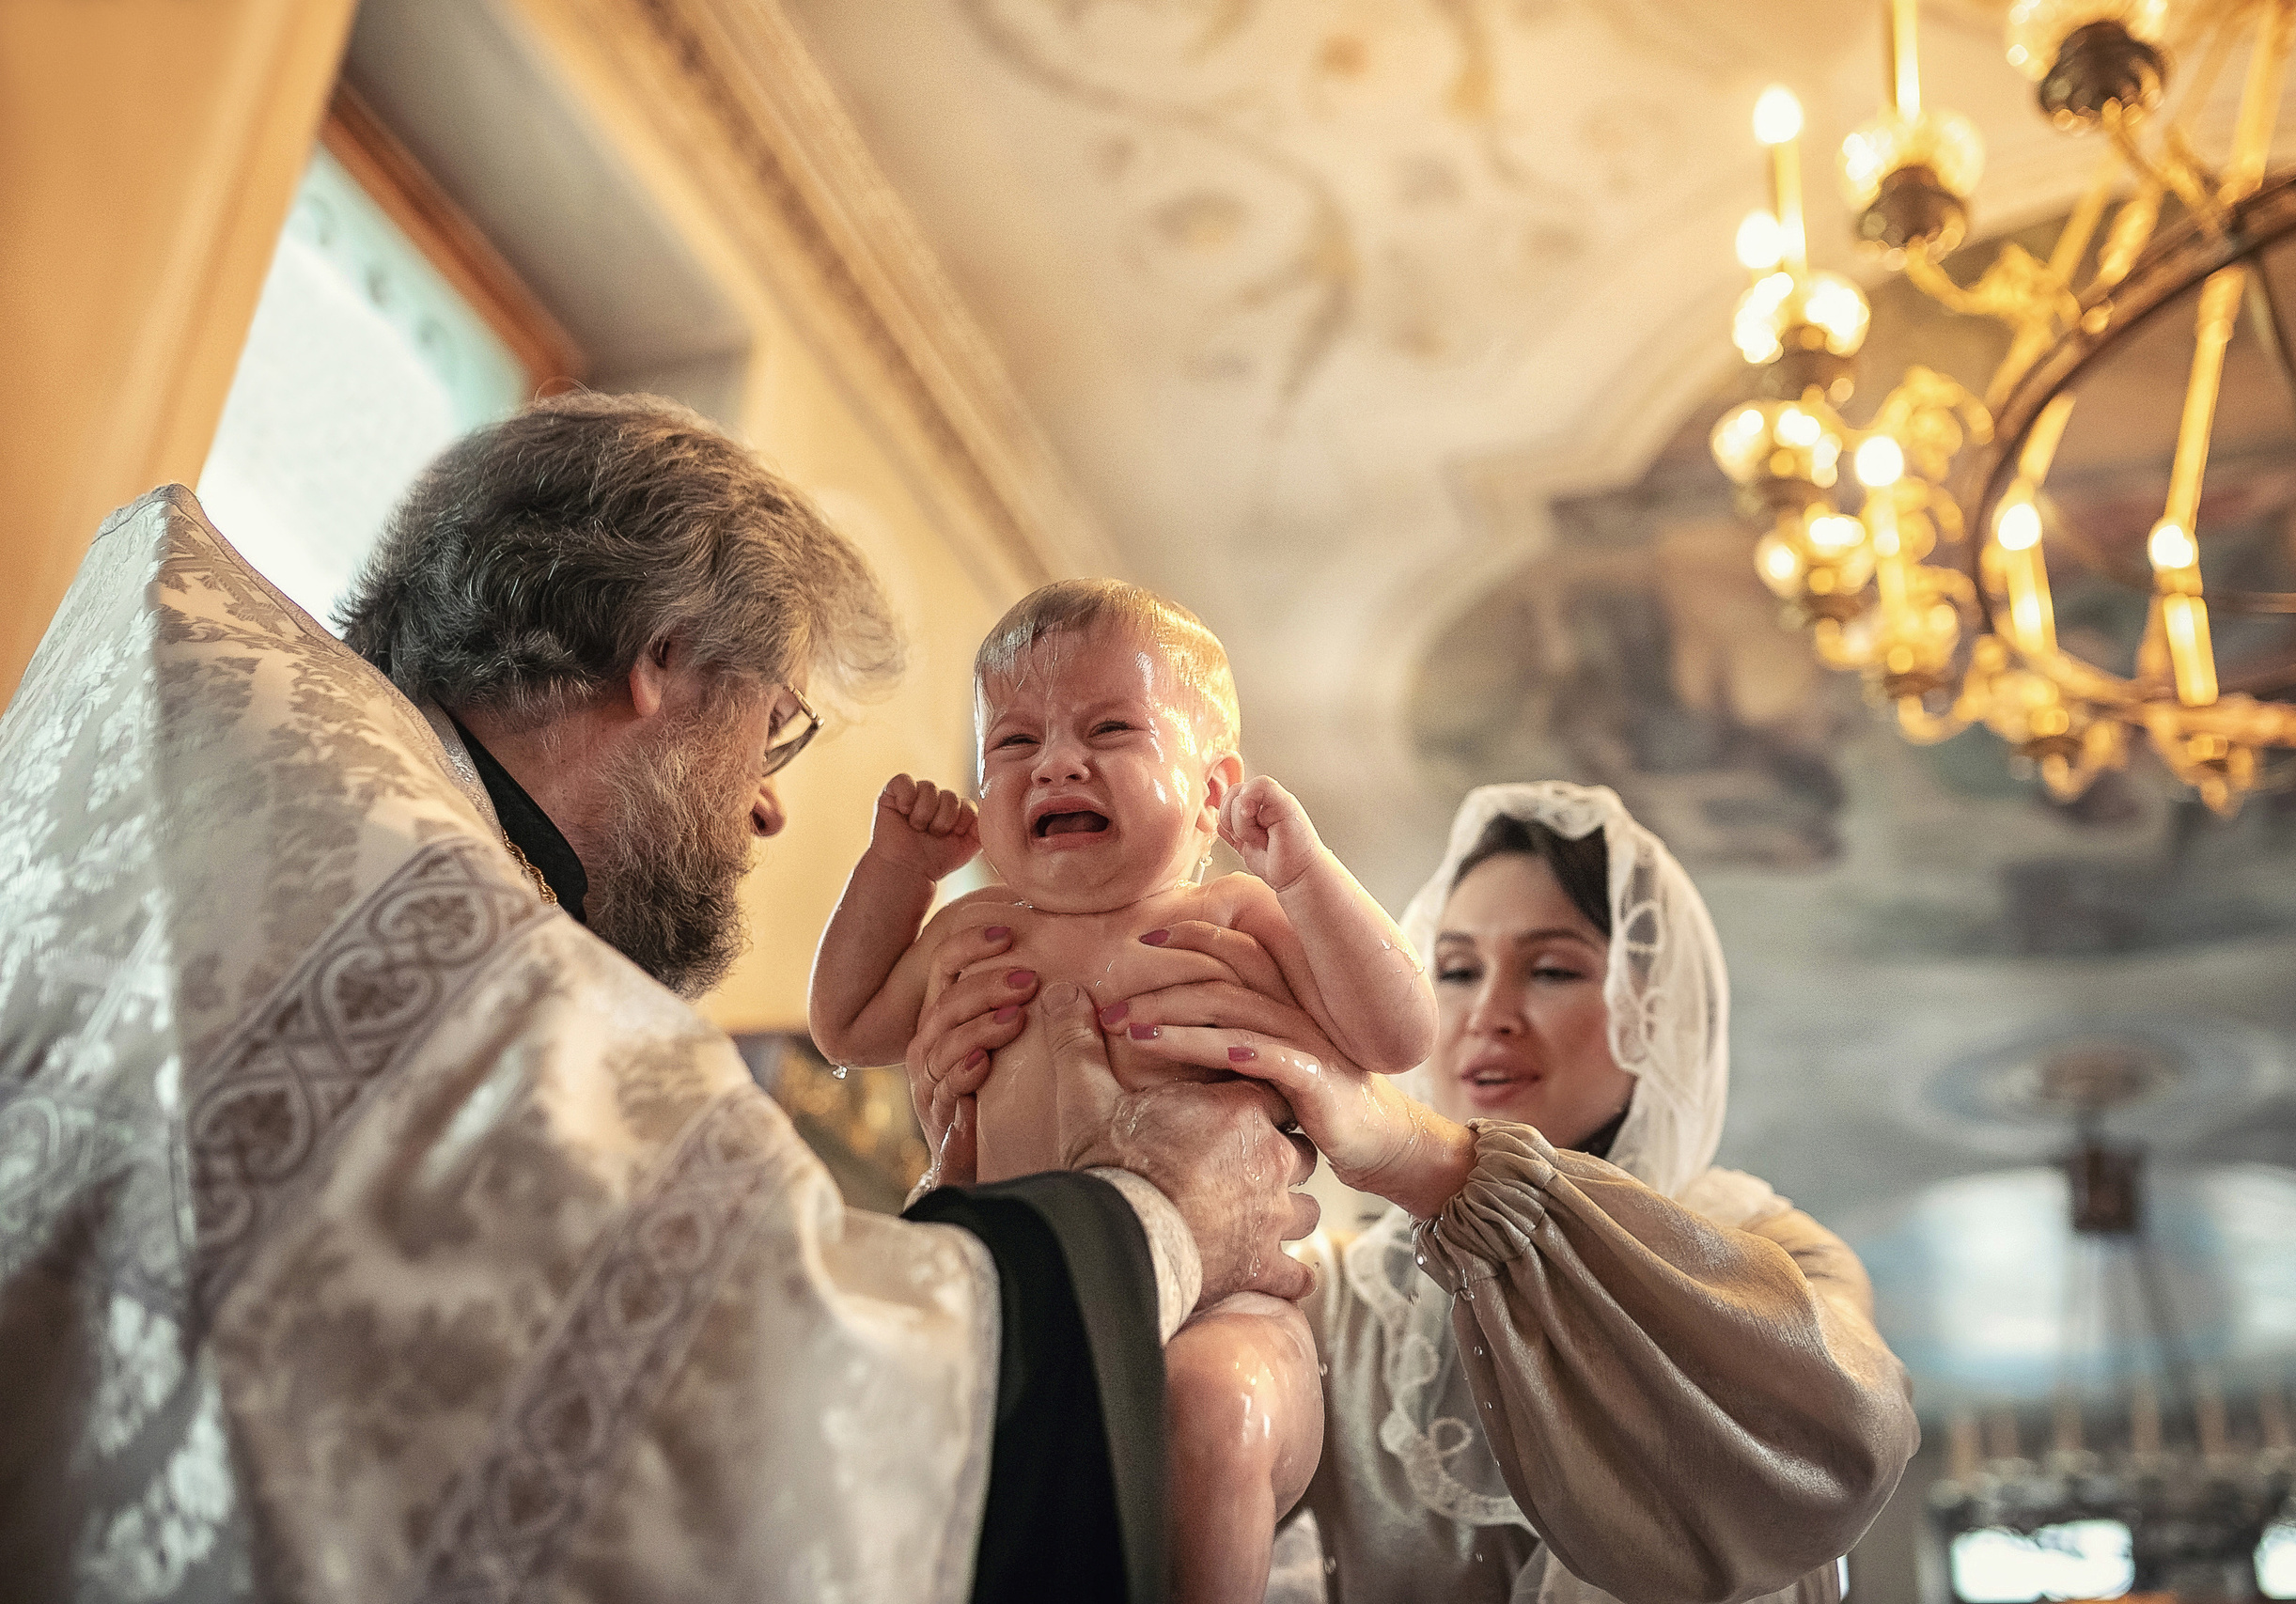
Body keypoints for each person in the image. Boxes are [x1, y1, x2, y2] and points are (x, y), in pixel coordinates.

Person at [0, 394, 1319, 1603]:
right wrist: (1160, 1215)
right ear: (664, 660)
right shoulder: (448, 945)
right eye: (775, 725)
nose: (768, 804)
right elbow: (765, 1384)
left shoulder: (323, 837)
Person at [908, 780, 1919, 1603]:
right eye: (1456, 970)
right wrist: (983, 1148)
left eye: (1552, 971)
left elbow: (1836, 1442)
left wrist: (1420, 1155)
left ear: (1651, 1011)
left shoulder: (1771, 1252)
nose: (1488, 1014)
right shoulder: (1332, 1298)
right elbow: (1078, 1455)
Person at [809, 579, 1433, 1603]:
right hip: (1036, 1308)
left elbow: (1397, 1035)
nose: (1056, 762)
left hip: (1227, 1310)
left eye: (1109, 729)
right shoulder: (973, 932)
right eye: (1013, 743)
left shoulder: (1232, 917)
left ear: (1213, 791)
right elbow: (846, 1023)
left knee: (1211, 1407)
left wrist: (1307, 875)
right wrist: (895, 871)